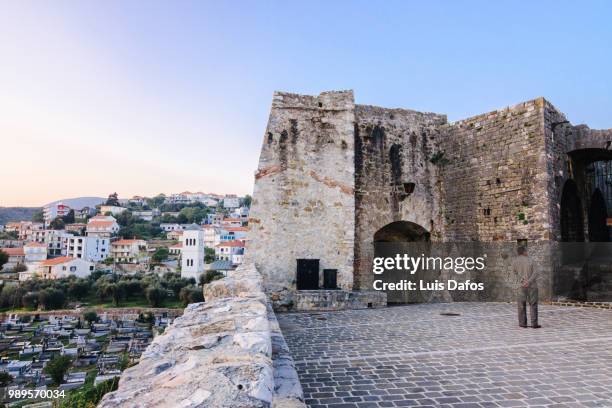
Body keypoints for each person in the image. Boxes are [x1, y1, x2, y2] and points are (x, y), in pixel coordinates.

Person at [513, 245, 540, 328]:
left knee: (521, 305)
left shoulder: (514, 262)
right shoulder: (531, 260)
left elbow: (514, 274)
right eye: (526, 251)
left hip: (520, 286)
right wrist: (529, 281)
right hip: (532, 286)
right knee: (533, 304)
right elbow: (536, 273)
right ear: (524, 252)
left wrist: (522, 281)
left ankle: (522, 323)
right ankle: (534, 324)